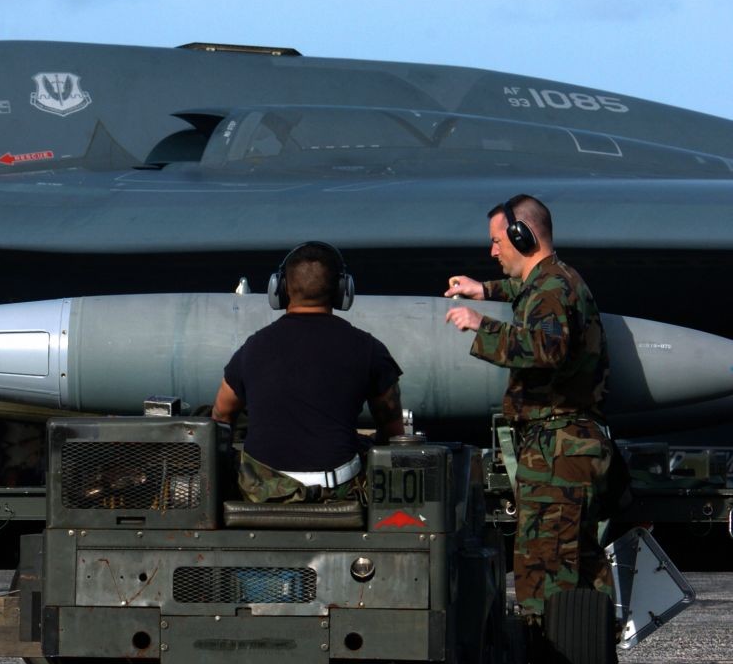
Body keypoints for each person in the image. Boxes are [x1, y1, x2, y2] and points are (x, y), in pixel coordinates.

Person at [443, 194, 615, 619]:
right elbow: (528, 293)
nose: (493, 251)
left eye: (499, 241)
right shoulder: (551, 282)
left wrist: (483, 325)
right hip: (567, 445)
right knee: (577, 564)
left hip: (559, 448)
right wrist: (485, 289)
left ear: (524, 236)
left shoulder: (552, 289)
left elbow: (549, 347)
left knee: (546, 567)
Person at [212, 241, 404, 503]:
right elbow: (394, 433)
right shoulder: (369, 349)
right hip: (338, 490)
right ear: (342, 290)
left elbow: (221, 415)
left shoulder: (253, 347)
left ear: (280, 289)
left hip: (264, 494)